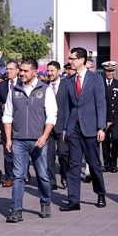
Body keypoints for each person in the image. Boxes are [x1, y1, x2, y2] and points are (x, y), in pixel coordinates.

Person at [2, 56, 56, 223]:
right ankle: (17, 210)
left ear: (35, 71)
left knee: (43, 175)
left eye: (25, 71)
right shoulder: (15, 90)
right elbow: (7, 116)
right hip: (18, 141)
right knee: (18, 176)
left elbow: (51, 116)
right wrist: (9, 139)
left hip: (38, 141)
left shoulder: (45, 89)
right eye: (21, 70)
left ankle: (45, 203)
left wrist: (45, 136)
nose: (22, 73)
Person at [60, 46, 107, 211]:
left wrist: (101, 127)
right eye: (70, 58)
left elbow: (101, 104)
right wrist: (65, 129)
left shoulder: (95, 79)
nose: (70, 61)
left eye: (72, 58)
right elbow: (67, 107)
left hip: (90, 128)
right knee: (73, 165)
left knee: (94, 164)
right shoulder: (69, 81)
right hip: (73, 128)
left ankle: (100, 193)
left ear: (81, 60)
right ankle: (74, 200)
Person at [46, 60, 69, 190]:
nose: (49, 73)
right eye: (48, 71)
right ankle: (51, 181)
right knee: (49, 155)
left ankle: (64, 174)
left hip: (62, 126)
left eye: (52, 71)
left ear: (58, 72)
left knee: (63, 153)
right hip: (48, 127)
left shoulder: (66, 85)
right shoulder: (45, 86)